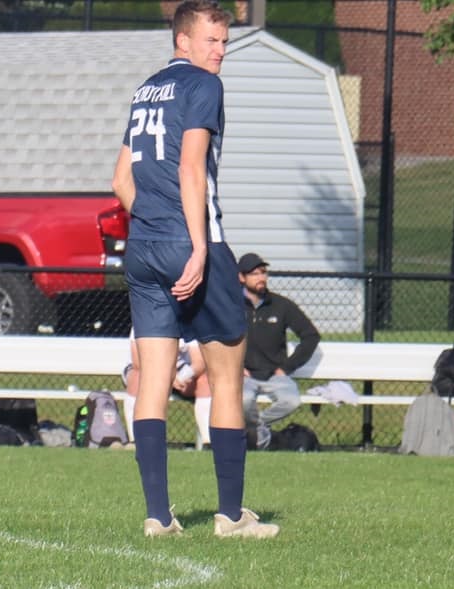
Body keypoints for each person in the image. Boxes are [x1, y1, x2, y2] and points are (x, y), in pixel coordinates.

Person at [110, 0, 278, 539]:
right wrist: (199, 247)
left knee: (153, 380)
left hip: (144, 246)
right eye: (212, 40)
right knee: (226, 376)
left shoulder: (146, 90)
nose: (221, 51)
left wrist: (153, 224)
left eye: (225, 41)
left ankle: (158, 516)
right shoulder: (205, 85)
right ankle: (230, 516)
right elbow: (190, 167)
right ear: (183, 40)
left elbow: (120, 181)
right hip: (194, 243)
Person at [237, 252, 320, 449]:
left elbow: (310, 336)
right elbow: (218, 339)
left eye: (263, 272)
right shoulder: (232, 306)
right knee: (244, 400)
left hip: (275, 375)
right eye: (254, 274)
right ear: (241, 277)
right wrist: (236, 367)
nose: (261, 278)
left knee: (291, 401)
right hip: (244, 375)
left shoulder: (281, 305)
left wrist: (286, 368)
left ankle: (256, 430)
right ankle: (259, 436)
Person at [122, 331, 212, 446]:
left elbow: (199, 363)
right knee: (137, 377)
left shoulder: (190, 323)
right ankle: (136, 440)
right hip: (149, 370)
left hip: (180, 374)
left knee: (205, 380)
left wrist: (183, 376)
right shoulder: (143, 322)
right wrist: (167, 376)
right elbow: (138, 362)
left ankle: (208, 442)